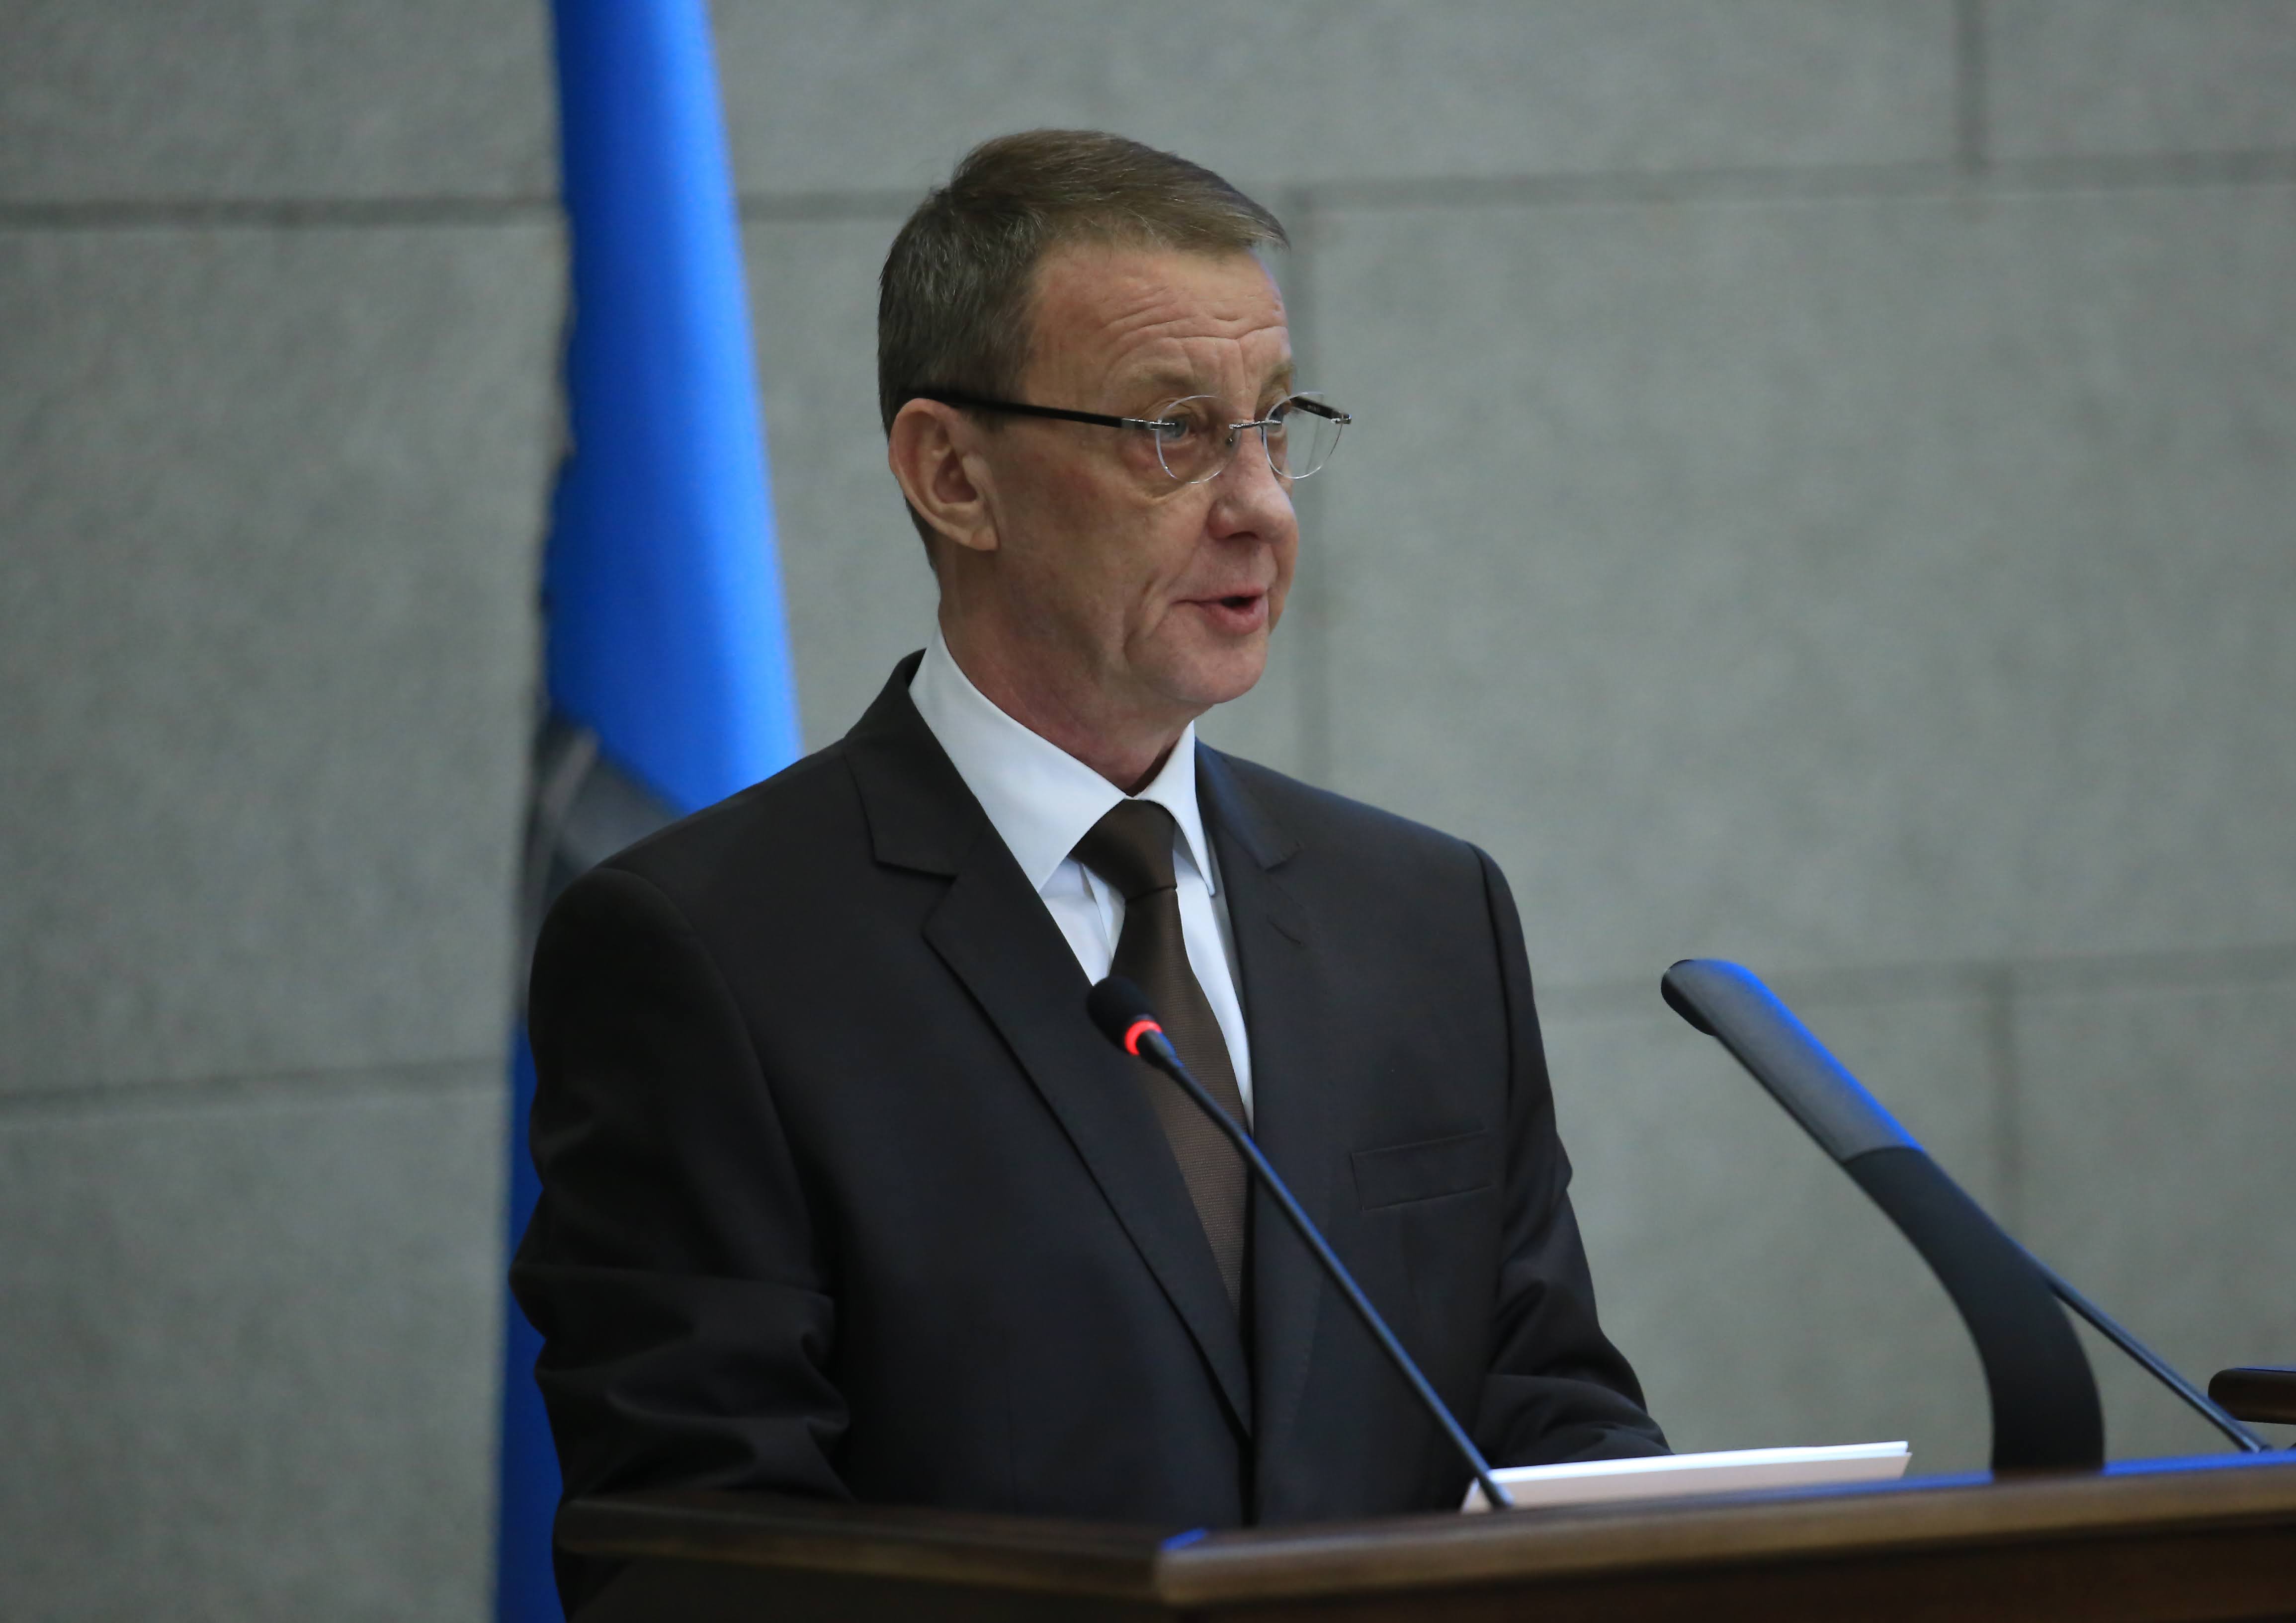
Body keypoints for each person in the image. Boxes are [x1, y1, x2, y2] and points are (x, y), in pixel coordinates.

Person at [512, 129, 1665, 1610]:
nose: (1262, 506)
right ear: (953, 475)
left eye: (1273, 424)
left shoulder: (1426, 915)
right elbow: (698, 1558)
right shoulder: (705, 952)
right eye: (1172, 432)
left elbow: (1548, 1419)